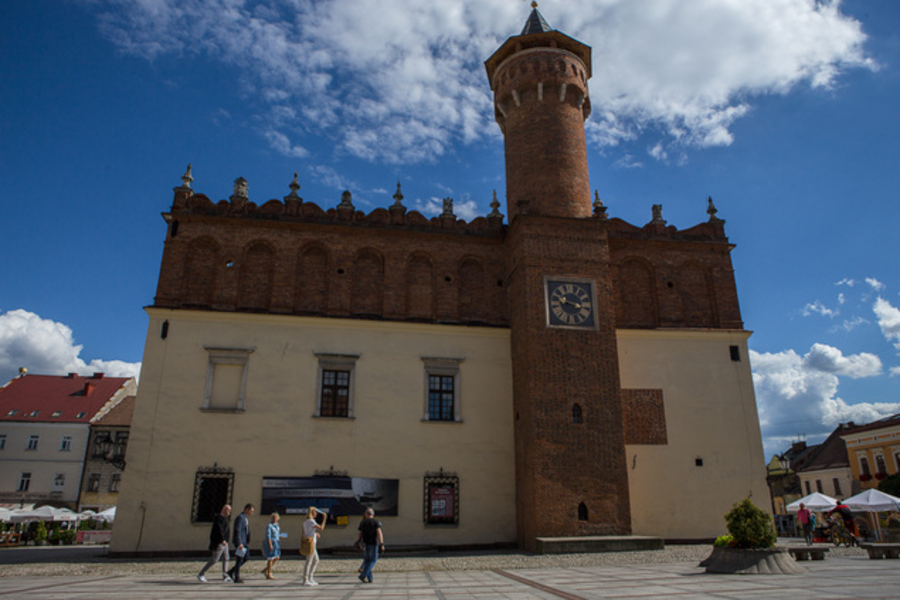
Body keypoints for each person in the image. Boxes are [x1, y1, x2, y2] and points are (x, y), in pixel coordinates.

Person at [197, 504, 232, 583]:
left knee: (226, 558)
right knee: (215, 559)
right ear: (224, 510)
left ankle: (225, 575)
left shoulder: (224, 519)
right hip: (220, 542)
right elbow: (219, 530)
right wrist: (222, 539)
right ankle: (201, 574)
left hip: (225, 543)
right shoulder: (219, 518)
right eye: (228, 510)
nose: (229, 512)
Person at [227, 503, 254, 583]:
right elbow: (237, 530)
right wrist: (239, 542)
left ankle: (231, 571)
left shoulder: (245, 518)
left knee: (246, 557)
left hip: (245, 542)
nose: (251, 513)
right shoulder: (240, 518)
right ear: (247, 509)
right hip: (241, 542)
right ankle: (237, 577)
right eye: (251, 511)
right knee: (239, 559)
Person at [355, 508, 384, 583]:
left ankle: (370, 578)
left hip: (365, 544)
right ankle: (363, 574)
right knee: (373, 560)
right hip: (373, 543)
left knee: (367, 561)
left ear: (366, 514)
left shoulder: (363, 522)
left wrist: (357, 541)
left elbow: (359, 532)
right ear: (372, 514)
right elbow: (379, 533)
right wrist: (381, 543)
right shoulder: (375, 522)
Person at [302, 507, 326, 586]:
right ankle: (305, 579)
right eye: (315, 512)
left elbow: (307, 532)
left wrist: (315, 534)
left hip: (313, 542)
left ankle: (310, 577)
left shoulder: (306, 522)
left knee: (316, 560)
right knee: (309, 561)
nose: (316, 514)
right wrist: (324, 518)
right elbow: (321, 527)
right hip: (311, 543)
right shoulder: (311, 521)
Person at [262, 512, 281, 580]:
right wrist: (270, 544)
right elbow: (268, 535)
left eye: (276, 517)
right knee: (271, 558)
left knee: (277, 557)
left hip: (276, 542)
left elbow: (278, 534)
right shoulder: (269, 526)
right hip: (271, 542)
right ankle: (269, 573)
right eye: (273, 517)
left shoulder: (277, 525)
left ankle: (266, 569)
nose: (275, 519)